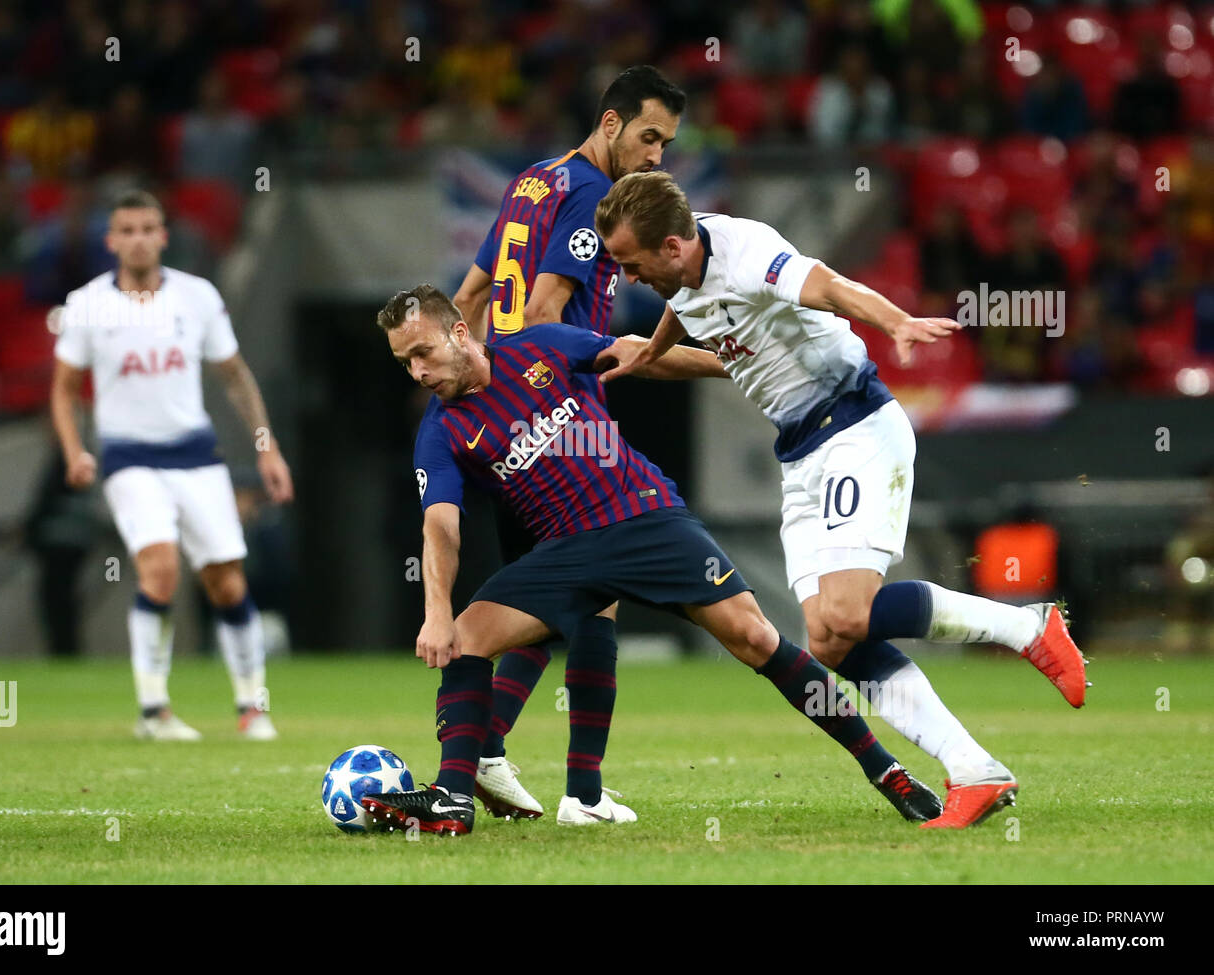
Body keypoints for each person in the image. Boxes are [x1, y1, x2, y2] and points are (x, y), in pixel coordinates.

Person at [593, 171, 1088, 828]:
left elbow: (823, 282)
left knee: (849, 614)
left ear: (674, 247)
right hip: (799, 453)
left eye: (631, 263)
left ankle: (1027, 626)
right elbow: (696, 318)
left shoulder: (743, 250)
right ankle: (975, 769)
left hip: (854, 427)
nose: (626, 277)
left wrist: (896, 319)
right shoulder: (685, 271)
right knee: (827, 639)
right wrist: (651, 351)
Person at [361, 284, 942, 835]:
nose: (418, 371)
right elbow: (441, 524)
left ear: (460, 333)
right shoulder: (439, 432)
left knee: (758, 640)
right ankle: (453, 800)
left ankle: (886, 771)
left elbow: (637, 354)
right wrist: (437, 609)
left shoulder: (542, 346)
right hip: (564, 550)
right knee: (462, 642)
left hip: (646, 520)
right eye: (404, 362)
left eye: (423, 352)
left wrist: (736, 365)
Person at [447, 65, 685, 820]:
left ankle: (518, 761)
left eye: (668, 143)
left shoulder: (532, 181)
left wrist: (474, 388)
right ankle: (544, 774)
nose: (657, 157)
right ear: (610, 125)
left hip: (504, 409)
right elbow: (547, 306)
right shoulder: (589, 193)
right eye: (649, 137)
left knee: (568, 594)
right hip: (558, 415)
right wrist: (568, 383)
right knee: (591, 590)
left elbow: (469, 298)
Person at [50, 189, 294, 741]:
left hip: (195, 457)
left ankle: (251, 706)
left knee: (227, 583)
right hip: (128, 458)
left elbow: (235, 376)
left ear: (163, 235)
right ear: (111, 241)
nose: (138, 239)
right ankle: (153, 710)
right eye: (126, 230)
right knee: (159, 571)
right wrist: (74, 451)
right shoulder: (87, 304)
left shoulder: (197, 297)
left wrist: (266, 446)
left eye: (147, 228)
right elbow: (63, 391)